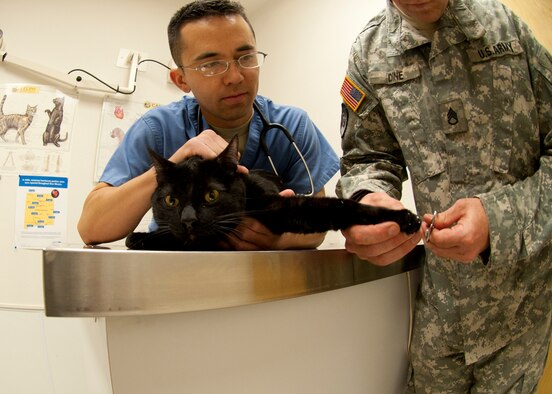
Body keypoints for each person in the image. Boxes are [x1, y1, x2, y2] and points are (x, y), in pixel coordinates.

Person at [337, 0, 551, 391]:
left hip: (522, 304)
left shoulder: (507, 29)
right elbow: (366, 158)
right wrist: (366, 201)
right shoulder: (369, 54)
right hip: (441, 306)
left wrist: (498, 219)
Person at [78, 0, 339, 250]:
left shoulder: (292, 125)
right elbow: (91, 228)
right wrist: (175, 163)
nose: (235, 77)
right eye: (212, 64)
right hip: (175, 268)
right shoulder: (157, 129)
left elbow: (318, 224)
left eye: (245, 57)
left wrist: (278, 240)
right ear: (181, 79)